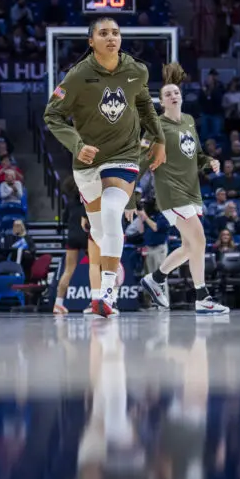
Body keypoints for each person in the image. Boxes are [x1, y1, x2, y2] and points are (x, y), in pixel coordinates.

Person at [44, 17, 166, 317]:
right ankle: (99, 293)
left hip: (125, 154)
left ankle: (107, 293)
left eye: (115, 32)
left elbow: (145, 105)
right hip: (87, 161)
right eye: (103, 33)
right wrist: (76, 145)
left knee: (112, 214)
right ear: (91, 41)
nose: (111, 37)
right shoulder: (77, 75)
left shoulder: (137, 70)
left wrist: (159, 139)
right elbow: (52, 116)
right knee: (99, 229)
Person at [138, 63, 229, 315]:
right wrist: (131, 194)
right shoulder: (156, 126)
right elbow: (142, 160)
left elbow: (196, 155)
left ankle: (155, 278)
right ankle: (202, 297)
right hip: (171, 192)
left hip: (192, 192)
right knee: (199, 240)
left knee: (190, 247)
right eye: (167, 94)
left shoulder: (188, 121)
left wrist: (209, 162)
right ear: (161, 102)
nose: (173, 96)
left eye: (176, 92)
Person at [53, 176, 91, 314]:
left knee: (68, 271)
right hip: (86, 236)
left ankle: (58, 303)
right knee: (94, 269)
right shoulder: (88, 200)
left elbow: (63, 220)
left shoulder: (69, 203)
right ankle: (94, 303)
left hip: (72, 237)